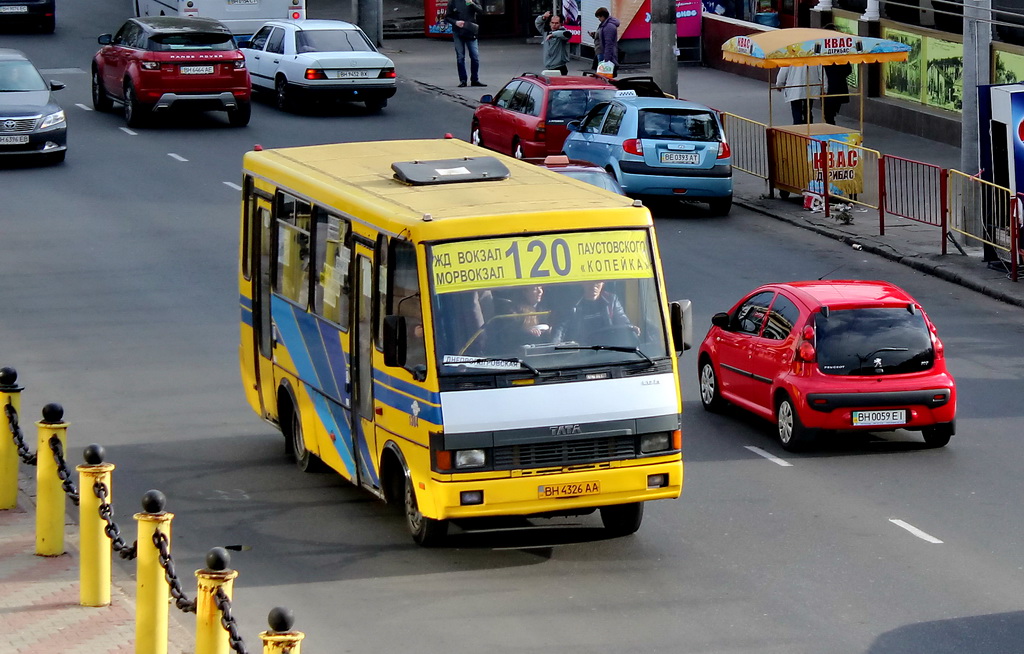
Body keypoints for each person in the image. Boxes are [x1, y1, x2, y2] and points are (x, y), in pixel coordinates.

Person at [553, 280, 639, 344]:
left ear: (603, 283)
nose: (594, 286)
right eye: (590, 282)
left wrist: (630, 328)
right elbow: (561, 329)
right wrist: (555, 346)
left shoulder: (611, 300)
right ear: (583, 283)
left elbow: (622, 320)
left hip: (608, 350)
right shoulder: (572, 304)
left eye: (597, 282)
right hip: (581, 352)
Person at [444, 0, 486, 88]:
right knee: (460, 56)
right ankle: (463, 80)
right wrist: (456, 22)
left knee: (475, 56)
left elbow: (481, 11)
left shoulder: (472, 0)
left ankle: (475, 79)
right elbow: (447, 17)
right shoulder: (453, 2)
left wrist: (472, 4)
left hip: (470, 30)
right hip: (458, 32)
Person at [822, 25, 853, 125]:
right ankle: (831, 126)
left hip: (830, 87)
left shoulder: (825, 51)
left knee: (828, 112)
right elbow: (848, 70)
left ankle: (831, 129)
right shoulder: (840, 52)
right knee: (830, 112)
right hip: (838, 86)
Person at [536, 11, 572, 76]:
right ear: (549, 23)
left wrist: (553, 34)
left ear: (560, 24)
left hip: (559, 67)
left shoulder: (562, 33)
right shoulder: (546, 32)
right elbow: (537, 23)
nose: (554, 25)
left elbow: (567, 34)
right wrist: (543, 17)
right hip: (548, 66)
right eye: (552, 23)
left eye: (556, 23)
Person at [592, 7, 619, 76]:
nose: (599, 19)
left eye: (599, 17)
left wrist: (607, 59)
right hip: (601, 51)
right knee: (602, 74)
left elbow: (608, 43)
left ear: (603, 16)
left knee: (604, 75)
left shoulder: (608, 26)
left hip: (603, 53)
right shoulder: (605, 25)